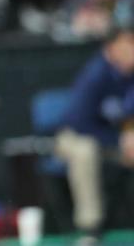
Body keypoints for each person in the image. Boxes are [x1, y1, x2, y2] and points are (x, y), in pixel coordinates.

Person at [54, 27, 134, 241]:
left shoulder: (130, 75)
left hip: (115, 141)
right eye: (128, 44)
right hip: (72, 137)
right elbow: (81, 124)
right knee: (85, 151)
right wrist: (121, 141)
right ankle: (90, 228)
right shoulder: (95, 74)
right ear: (111, 48)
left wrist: (129, 136)